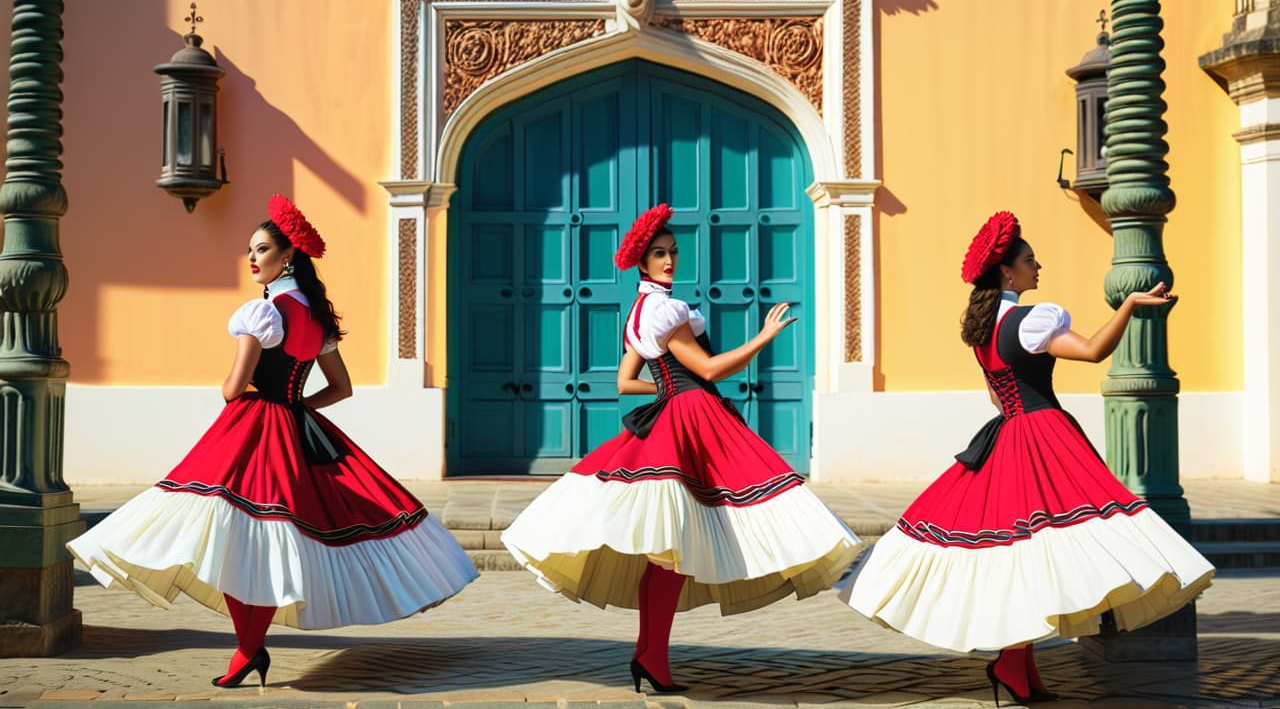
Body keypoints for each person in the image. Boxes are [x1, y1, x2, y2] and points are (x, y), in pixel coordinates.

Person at [68, 195, 478, 688]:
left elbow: (232, 389)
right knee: (262, 541)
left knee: (239, 539)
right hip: (296, 425)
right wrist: (300, 407)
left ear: (288, 256)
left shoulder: (259, 314)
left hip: (254, 426)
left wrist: (253, 384)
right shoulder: (317, 319)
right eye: (250, 250)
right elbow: (342, 388)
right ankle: (247, 651)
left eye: (261, 249)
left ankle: (247, 650)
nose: (252, 258)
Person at [839, 210, 1214, 705]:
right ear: (1008, 272)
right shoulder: (1033, 320)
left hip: (1008, 436)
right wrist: (1128, 306)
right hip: (1044, 437)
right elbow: (1095, 351)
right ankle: (1014, 663)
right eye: (1031, 260)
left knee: (1026, 555)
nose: (1040, 267)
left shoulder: (983, 329)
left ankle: (1018, 664)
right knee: (1052, 549)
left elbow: (996, 399)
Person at [502, 204, 861, 693]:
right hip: (694, 421)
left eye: (673, 252)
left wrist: (670, 389)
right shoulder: (666, 310)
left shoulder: (642, 309)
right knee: (675, 545)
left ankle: (650, 656)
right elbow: (710, 370)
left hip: (681, 413)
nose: (670, 260)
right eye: (659, 254)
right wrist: (763, 338)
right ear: (642, 262)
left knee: (668, 548)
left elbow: (625, 381)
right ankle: (651, 656)